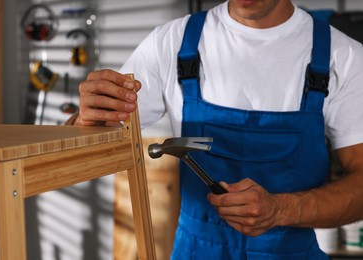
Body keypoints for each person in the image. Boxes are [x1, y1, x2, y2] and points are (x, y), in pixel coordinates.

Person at [66, 0, 363, 258]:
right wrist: (84, 123)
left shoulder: (343, 57)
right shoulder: (173, 42)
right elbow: (89, 154)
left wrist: (281, 209)